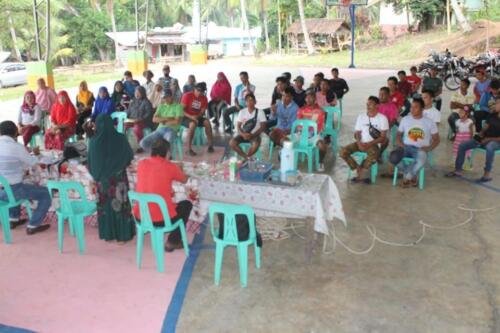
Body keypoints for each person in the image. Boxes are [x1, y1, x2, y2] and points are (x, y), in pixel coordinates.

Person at [134, 138, 192, 252]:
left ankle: (172, 240)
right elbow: (184, 180)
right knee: (186, 205)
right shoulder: (169, 166)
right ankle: (172, 241)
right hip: (161, 220)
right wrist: (180, 169)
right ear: (166, 152)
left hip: (141, 217)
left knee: (166, 200)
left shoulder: (141, 163)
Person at [88, 114, 135, 242]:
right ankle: (123, 236)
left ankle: (108, 234)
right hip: (118, 180)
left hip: (103, 182)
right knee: (120, 206)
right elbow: (129, 156)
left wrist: (100, 176)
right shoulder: (120, 138)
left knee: (106, 207)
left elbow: (92, 164)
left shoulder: (94, 142)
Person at [0, 121, 51, 235]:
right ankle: (33, 224)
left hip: (1, 191)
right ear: (15, 133)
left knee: (13, 187)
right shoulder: (16, 147)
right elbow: (32, 162)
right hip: (13, 190)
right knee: (45, 193)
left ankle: (13, 219)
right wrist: (36, 153)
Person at [390, 98, 440, 188]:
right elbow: (398, 135)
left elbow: (437, 139)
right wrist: (401, 144)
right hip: (405, 147)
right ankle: (412, 175)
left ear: (422, 109)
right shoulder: (405, 119)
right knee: (393, 157)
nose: (412, 109)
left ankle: (407, 177)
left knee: (421, 160)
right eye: (411, 107)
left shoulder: (429, 122)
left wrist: (428, 148)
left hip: (420, 149)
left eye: (415, 107)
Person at [447, 98, 500, 183]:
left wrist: (488, 139)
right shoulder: (492, 115)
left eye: (497, 103)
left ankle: (486, 175)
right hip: (485, 138)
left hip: (496, 141)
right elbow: (485, 127)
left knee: (490, 147)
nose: (495, 105)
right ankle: (458, 170)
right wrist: (480, 135)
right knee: (463, 145)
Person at [340, 96, 389, 184]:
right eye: (367, 104)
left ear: (377, 106)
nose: (368, 105)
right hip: (360, 143)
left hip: (373, 144)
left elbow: (382, 137)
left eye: (370, 104)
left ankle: (361, 172)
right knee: (343, 151)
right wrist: (359, 143)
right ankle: (358, 168)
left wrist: (369, 144)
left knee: (374, 154)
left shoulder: (382, 118)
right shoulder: (361, 117)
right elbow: (357, 132)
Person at [296, 89, 328, 171]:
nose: (308, 99)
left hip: (314, 135)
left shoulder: (320, 111)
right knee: (286, 141)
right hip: (301, 134)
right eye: (306, 97)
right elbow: (298, 125)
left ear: (315, 98)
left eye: (310, 97)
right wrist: (304, 125)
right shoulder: (301, 109)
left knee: (322, 146)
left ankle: (320, 162)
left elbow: (317, 127)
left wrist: (305, 121)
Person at [230, 93, 267, 160]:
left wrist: (252, 135)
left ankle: (248, 156)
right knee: (232, 143)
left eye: (251, 100)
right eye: (247, 101)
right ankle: (246, 157)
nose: (249, 102)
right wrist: (243, 134)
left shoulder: (260, 112)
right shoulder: (242, 112)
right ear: (245, 103)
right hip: (243, 134)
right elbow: (238, 126)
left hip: (255, 135)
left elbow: (263, 127)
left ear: (255, 102)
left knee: (256, 144)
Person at [181, 82, 214, 156]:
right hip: (185, 117)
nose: (199, 93)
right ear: (194, 89)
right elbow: (181, 111)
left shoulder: (204, 98)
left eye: (201, 91)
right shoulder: (187, 95)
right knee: (192, 124)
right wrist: (191, 117)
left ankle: (210, 145)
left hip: (196, 117)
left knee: (207, 122)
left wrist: (197, 116)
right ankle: (189, 149)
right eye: (198, 90)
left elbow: (202, 112)